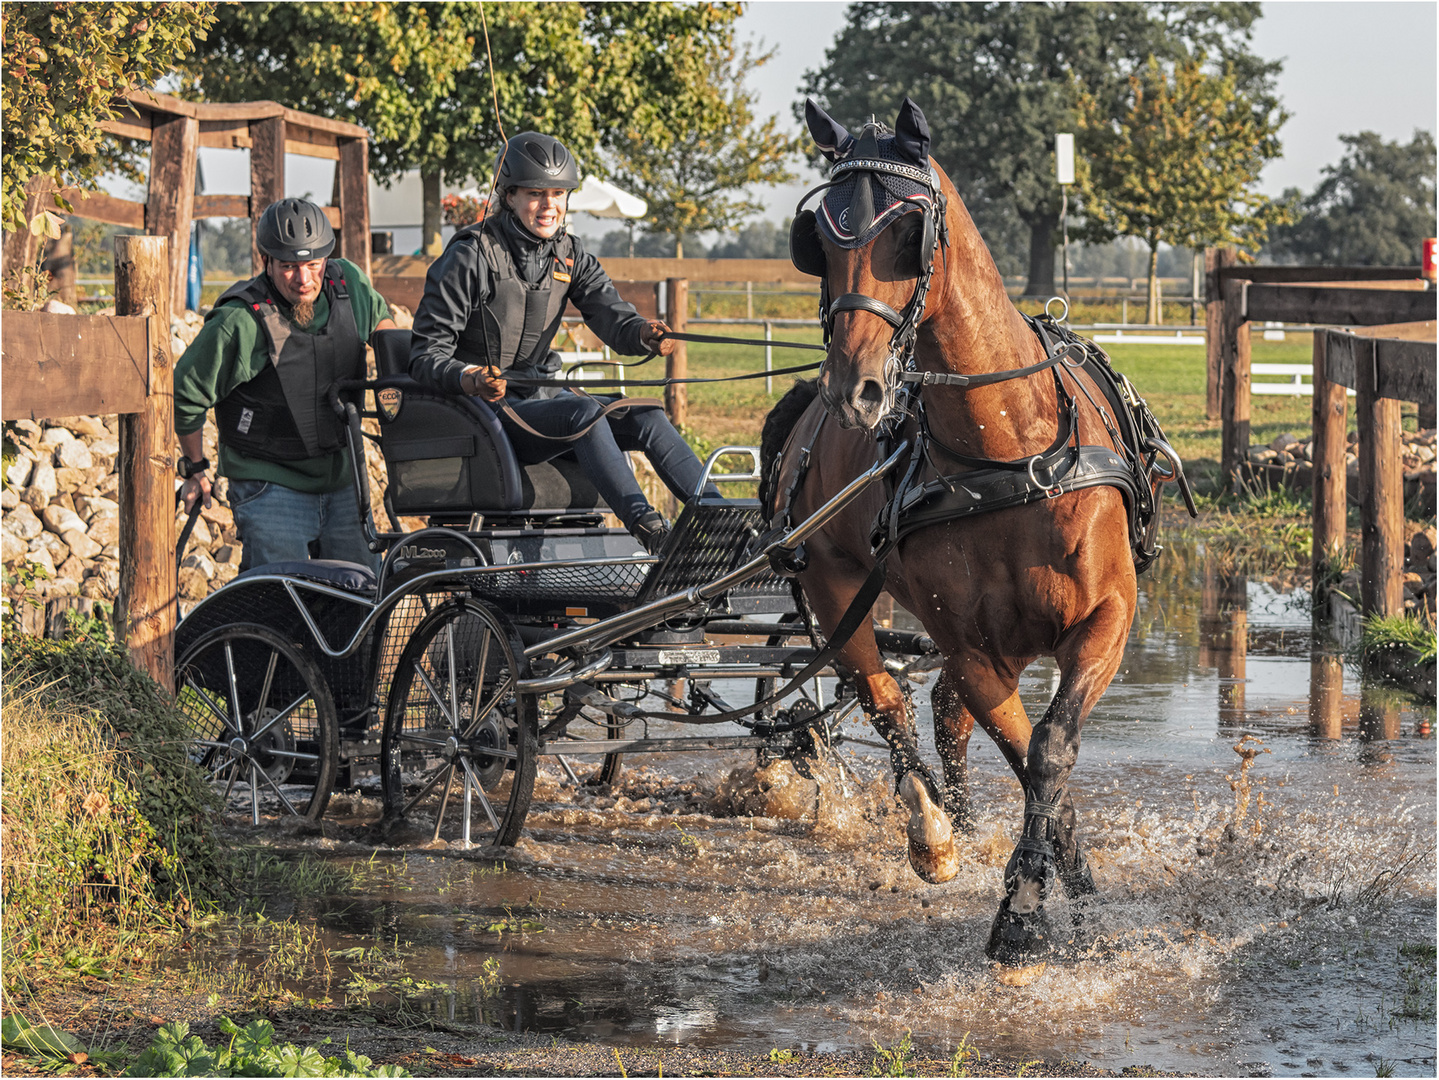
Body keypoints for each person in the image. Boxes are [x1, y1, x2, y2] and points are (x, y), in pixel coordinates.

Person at [407, 131, 712, 554]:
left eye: (558, 193)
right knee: (583, 412)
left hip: (541, 402)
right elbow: (425, 355)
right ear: (509, 195)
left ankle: (720, 522)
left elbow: (610, 314)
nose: (549, 205)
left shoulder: (569, 255)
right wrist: (471, 378)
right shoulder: (471, 255)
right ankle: (653, 535)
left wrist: (642, 333)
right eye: (535, 193)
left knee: (644, 413)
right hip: (486, 412)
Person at [174, 198, 396, 571]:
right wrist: (196, 469)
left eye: (313, 265)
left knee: (361, 601)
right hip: (270, 484)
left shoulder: (350, 286)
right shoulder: (240, 321)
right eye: (290, 267)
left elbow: (390, 335)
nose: (304, 279)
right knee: (281, 605)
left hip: (343, 480)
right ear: (267, 262)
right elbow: (186, 391)